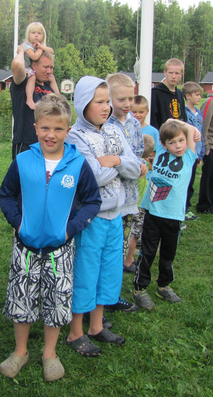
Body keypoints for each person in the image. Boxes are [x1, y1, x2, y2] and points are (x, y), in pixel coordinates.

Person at [0, 93, 101, 379]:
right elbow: (6, 194)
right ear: (36, 128)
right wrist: (18, 223)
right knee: (21, 298)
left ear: (68, 130)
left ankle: (50, 353)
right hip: (26, 246)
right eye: (45, 128)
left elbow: (92, 201)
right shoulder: (23, 161)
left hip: (60, 248)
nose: (51, 135)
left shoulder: (77, 164)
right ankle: (20, 351)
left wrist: (70, 229)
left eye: (58, 129)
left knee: (57, 301)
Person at [65, 77, 140, 357]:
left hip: (115, 215)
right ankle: (75, 331)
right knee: (86, 272)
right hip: (90, 217)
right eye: (99, 102)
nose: (106, 107)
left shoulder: (114, 130)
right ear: (83, 103)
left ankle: (96, 326)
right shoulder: (75, 136)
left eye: (107, 101)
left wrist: (116, 160)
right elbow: (91, 176)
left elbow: (137, 166)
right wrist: (119, 166)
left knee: (108, 271)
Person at [133, 120, 201, 310]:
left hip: (174, 216)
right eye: (172, 142)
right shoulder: (161, 152)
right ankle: (139, 289)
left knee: (168, 254)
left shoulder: (189, 156)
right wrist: (181, 128)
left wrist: (192, 130)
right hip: (153, 213)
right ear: (163, 145)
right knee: (148, 252)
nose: (178, 146)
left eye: (181, 140)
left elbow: (175, 123)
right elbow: (169, 122)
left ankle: (163, 286)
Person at [106, 73, 146, 276]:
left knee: (125, 237)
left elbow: (138, 152)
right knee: (111, 242)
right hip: (112, 194)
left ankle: (117, 277)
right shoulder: (106, 124)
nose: (127, 103)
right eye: (121, 99)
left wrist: (142, 164)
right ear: (109, 98)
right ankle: (109, 281)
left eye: (131, 98)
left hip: (130, 193)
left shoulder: (135, 124)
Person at [11, 43, 56, 159]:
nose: (49, 71)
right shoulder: (23, 84)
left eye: (51, 67)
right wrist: (22, 50)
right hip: (26, 145)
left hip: (48, 145)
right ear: (34, 66)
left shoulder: (49, 85)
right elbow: (17, 64)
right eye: (45, 67)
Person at [123, 134, 156, 273]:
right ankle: (128, 260)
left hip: (129, 205)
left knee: (126, 233)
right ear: (149, 154)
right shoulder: (144, 165)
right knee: (134, 235)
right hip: (139, 207)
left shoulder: (133, 164)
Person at [22, 21, 59, 110]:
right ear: (28, 35)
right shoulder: (27, 46)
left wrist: (41, 47)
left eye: (39, 33)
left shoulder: (42, 45)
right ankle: (29, 99)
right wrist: (40, 49)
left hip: (33, 67)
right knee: (32, 77)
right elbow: (34, 57)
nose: (36, 35)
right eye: (33, 33)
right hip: (27, 68)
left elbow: (52, 51)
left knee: (52, 77)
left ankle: (59, 97)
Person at [183, 82, 205, 220]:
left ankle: (187, 207)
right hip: (186, 153)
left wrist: (200, 155)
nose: (199, 97)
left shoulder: (199, 113)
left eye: (200, 95)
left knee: (191, 182)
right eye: (197, 95)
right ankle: (182, 208)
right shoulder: (184, 113)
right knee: (184, 182)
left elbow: (201, 135)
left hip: (196, 154)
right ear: (188, 96)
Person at [150, 58, 187, 130]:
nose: (173, 76)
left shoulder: (179, 94)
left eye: (177, 73)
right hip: (162, 134)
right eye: (170, 73)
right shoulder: (155, 93)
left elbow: (183, 118)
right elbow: (153, 120)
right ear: (165, 72)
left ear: (181, 75)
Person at [197, 89, 213, 214]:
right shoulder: (210, 101)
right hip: (211, 145)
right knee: (208, 177)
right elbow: (203, 125)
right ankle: (205, 205)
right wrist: (206, 146)